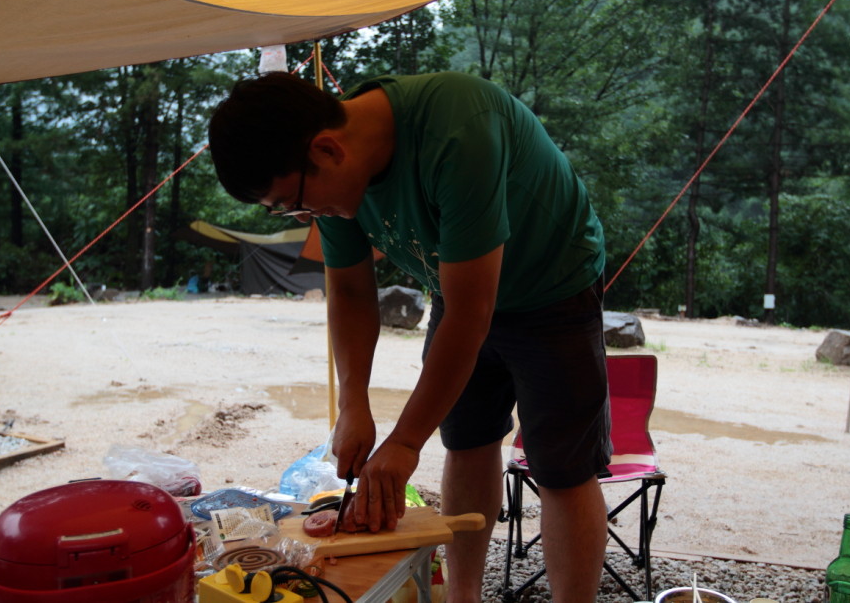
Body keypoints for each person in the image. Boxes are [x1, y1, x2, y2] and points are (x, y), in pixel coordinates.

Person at [209, 71, 611, 602]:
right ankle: (463, 597)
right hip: (457, 284)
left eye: (292, 203)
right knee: (466, 441)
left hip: (553, 285)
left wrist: (402, 443)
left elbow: (471, 313)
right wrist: (352, 402)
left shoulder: (459, 130)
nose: (303, 216)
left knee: (563, 467)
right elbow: (350, 292)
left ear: (327, 149)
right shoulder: (333, 173)